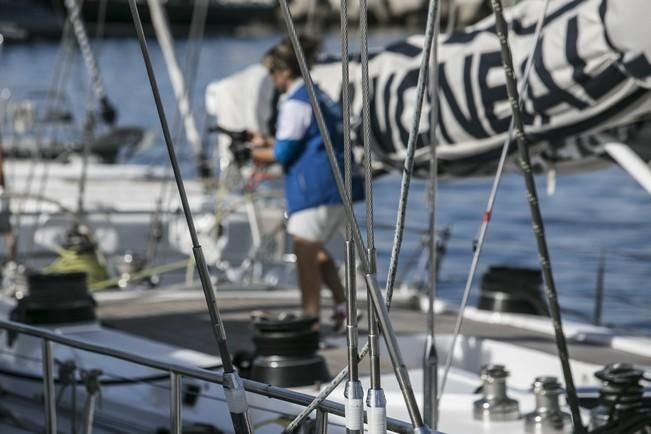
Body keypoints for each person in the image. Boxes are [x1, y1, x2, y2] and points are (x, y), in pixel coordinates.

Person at [249, 35, 363, 331]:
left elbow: (284, 152)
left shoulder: (295, 103)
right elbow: (305, 139)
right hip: (338, 188)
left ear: (284, 72)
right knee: (318, 251)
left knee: (304, 254)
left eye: (272, 72)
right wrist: (269, 142)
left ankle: (309, 322)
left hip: (314, 190)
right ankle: (344, 309)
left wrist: (252, 151)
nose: (272, 79)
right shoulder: (317, 94)